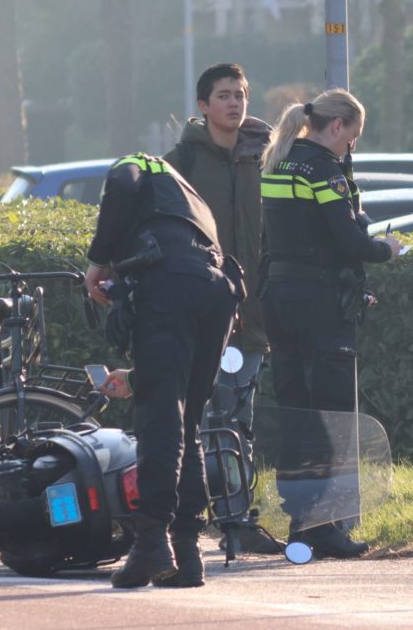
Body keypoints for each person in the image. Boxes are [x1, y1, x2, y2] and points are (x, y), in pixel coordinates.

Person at [84, 153, 240, 589]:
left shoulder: (135, 165)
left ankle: (151, 542)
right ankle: (187, 553)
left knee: (160, 418)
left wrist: (98, 261)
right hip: (217, 293)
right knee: (187, 421)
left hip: (168, 287)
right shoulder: (189, 196)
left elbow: (124, 185)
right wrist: (137, 377)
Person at [259, 88, 403, 558]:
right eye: (352, 138)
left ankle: (299, 518)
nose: (351, 149)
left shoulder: (279, 163)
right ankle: (324, 525)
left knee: (296, 412)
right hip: (320, 302)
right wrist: (388, 249)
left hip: (279, 297)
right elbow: (348, 241)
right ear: (337, 126)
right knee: (333, 415)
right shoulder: (323, 169)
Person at [163, 63, 275, 552]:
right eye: (224, 95)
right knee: (200, 417)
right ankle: (196, 512)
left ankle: (235, 516)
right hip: (201, 310)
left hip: (255, 315)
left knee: (238, 417)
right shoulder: (181, 162)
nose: (234, 103)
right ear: (203, 106)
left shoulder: (266, 159)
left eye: (241, 94)